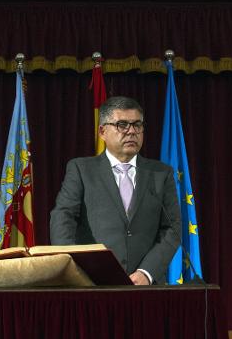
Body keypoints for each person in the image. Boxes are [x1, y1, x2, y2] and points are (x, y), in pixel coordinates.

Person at [50, 96, 181, 285]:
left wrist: (146, 272)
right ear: (103, 131)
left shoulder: (161, 173)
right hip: (93, 284)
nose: (131, 132)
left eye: (137, 125)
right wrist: (75, 268)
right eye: (122, 125)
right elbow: (62, 217)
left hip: (146, 287)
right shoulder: (81, 169)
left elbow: (172, 228)